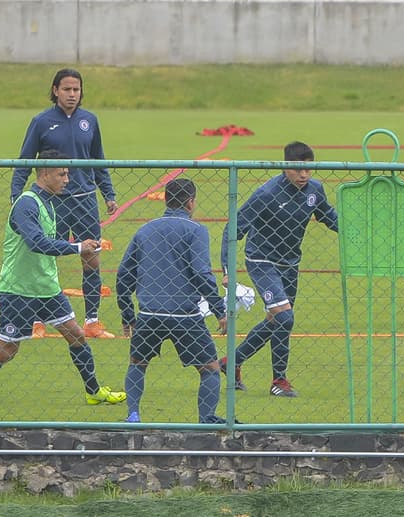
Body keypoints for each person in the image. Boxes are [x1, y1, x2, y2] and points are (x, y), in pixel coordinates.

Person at [0, 150, 126, 408]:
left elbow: (50, 242)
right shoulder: (27, 203)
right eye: (61, 174)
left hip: (47, 288)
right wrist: (78, 248)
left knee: (77, 335)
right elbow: (37, 243)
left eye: (68, 174)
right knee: (7, 351)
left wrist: (78, 246)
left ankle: (93, 391)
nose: (67, 180)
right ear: (44, 174)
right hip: (18, 290)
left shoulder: (50, 202)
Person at [220, 141, 339, 397]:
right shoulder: (267, 194)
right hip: (262, 261)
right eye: (297, 169)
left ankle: (232, 362)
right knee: (285, 317)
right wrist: (226, 269)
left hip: (290, 264)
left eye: (308, 169)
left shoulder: (314, 190)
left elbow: (329, 216)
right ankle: (279, 381)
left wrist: (357, 231)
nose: (303, 175)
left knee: (278, 321)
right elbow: (233, 229)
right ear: (285, 166)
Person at [11, 69, 118, 338]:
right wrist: (15, 194)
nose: (72, 94)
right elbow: (25, 159)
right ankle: (38, 321)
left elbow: (99, 160)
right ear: (55, 90)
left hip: (85, 202)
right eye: (67, 89)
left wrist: (108, 193)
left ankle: (92, 321)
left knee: (91, 259)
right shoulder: (41, 121)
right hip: (53, 203)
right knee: (45, 260)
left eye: (77, 90)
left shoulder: (89, 121)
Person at [117, 178, 229, 425]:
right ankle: (206, 419)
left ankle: (133, 415)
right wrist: (219, 309)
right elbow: (201, 272)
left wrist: (128, 314)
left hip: (149, 314)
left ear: (166, 200)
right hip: (185, 315)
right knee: (210, 369)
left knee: (138, 363)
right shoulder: (196, 230)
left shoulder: (145, 230)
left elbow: (124, 275)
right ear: (191, 202)